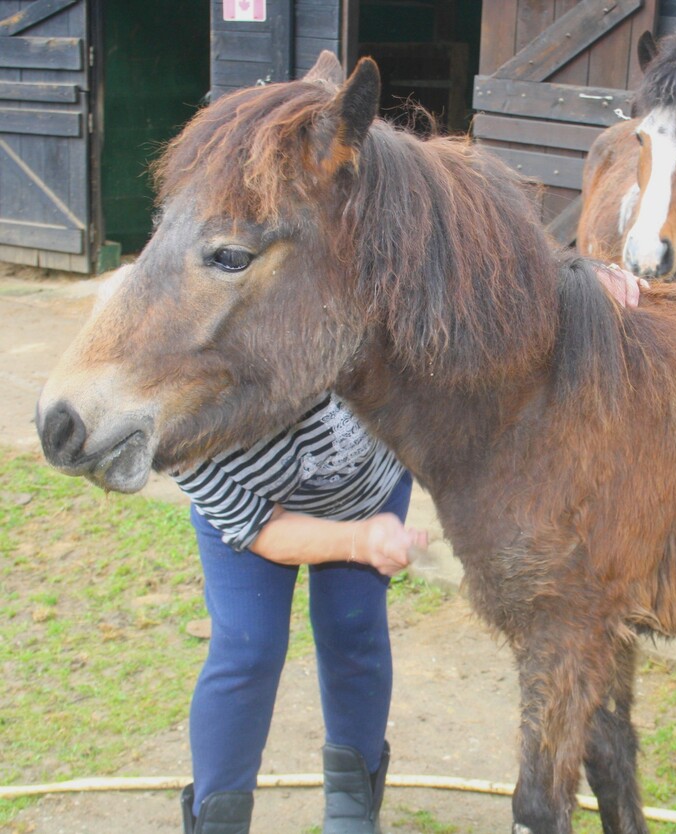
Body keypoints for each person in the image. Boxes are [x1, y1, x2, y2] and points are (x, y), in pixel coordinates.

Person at [171, 262, 647, 834]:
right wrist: (360, 541)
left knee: (353, 632)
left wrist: (564, 277)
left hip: (363, 484)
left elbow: (448, 251)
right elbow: (264, 531)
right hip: (262, 521)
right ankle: (218, 820)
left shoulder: (310, 296)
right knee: (247, 648)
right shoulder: (175, 421)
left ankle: (352, 812)